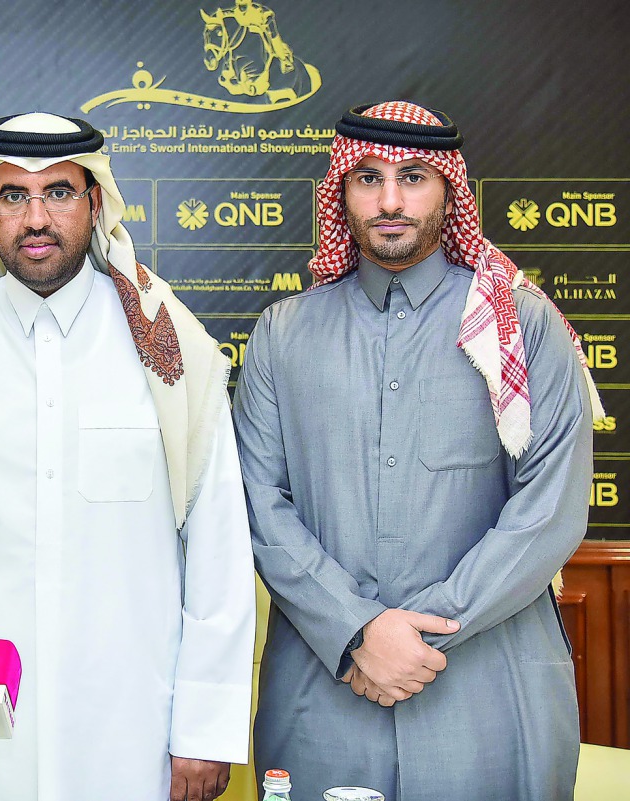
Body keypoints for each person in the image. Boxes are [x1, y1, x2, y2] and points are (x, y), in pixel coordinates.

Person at [0, 113, 255, 801]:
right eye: (13, 196)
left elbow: (217, 547)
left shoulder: (167, 350)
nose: (36, 218)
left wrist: (205, 728)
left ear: (95, 203)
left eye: (58, 193)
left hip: (130, 735)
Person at [233, 101, 603, 800]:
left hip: (491, 693)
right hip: (327, 693)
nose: (391, 199)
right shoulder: (282, 335)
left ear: (450, 191)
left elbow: (548, 511)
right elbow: (257, 506)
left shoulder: (522, 323)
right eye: (368, 177)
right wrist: (356, 630)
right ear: (341, 193)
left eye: (414, 176)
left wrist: (413, 637)